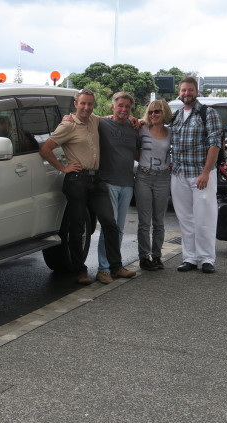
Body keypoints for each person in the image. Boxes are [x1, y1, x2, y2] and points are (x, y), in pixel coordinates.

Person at [39, 89, 136, 285]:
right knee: (77, 227)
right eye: (83, 103)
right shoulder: (68, 125)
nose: (86, 107)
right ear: (76, 104)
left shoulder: (94, 120)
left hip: (96, 179)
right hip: (77, 180)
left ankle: (116, 267)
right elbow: (46, 149)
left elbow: (115, 115)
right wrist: (63, 168)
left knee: (110, 223)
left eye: (90, 104)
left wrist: (133, 118)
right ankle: (79, 271)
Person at [170, 76, 223, 274]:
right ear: (179, 92)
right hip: (179, 174)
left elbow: (214, 143)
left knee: (205, 218)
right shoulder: (176, 115)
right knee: (186, 218)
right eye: (184, 90)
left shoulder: (207, 113)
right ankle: (190, 258)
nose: (187, 93)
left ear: (196, 91)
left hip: (200, 175)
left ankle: (207, 258)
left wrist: (206, 172)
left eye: (190, 90)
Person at [95, 92, 139, 284]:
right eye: (120, 105)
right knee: (108, 227)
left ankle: (116, 266)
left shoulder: (133, 126)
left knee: (119, 228)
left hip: (127, 183)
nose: (123, 109)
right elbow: (83, 116)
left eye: (127, 107)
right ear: (112, 106)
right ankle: (103, 269)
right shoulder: (102, 123)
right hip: (108, 182)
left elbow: (137, 152)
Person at [134, 99, 172, 271]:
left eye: (157, 111)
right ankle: (144, 257)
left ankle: (157, 256)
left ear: (164, 113)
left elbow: (175, 152)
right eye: (150, 112)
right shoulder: (141, 129)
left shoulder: (171, 133)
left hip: (163, 178)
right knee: (144, 221)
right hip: (144, 176)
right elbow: (134, 150)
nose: (154, 115)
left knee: (159, 221)